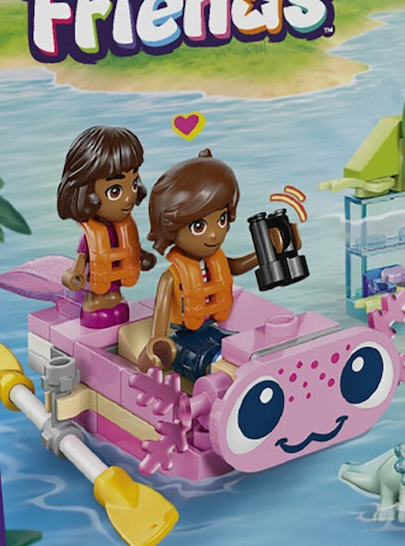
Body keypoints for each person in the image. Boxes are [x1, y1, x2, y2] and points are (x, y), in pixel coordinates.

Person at [138, 149, 298, 378]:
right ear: (171, 228)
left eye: (221, 220)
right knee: (209, 360)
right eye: (199, 227)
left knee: (238, 350)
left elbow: (236, 267)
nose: (214, 234)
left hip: (213, 329)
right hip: (184, 337)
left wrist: (267, 251)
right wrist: (156, 343)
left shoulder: (216, 261)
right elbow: (161, 315)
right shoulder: (171, 277)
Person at [56, 126, 155, 328]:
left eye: (133, 184)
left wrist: (142, 257)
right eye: (115, 191)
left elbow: (131, 249)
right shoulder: (91, 235)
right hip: (96, 289)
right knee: (98, 299)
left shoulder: (124, 228)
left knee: (117, 301)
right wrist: (75, 273)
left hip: (116, 286)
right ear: (85, 191)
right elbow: (83, 256)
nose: (128, 198)